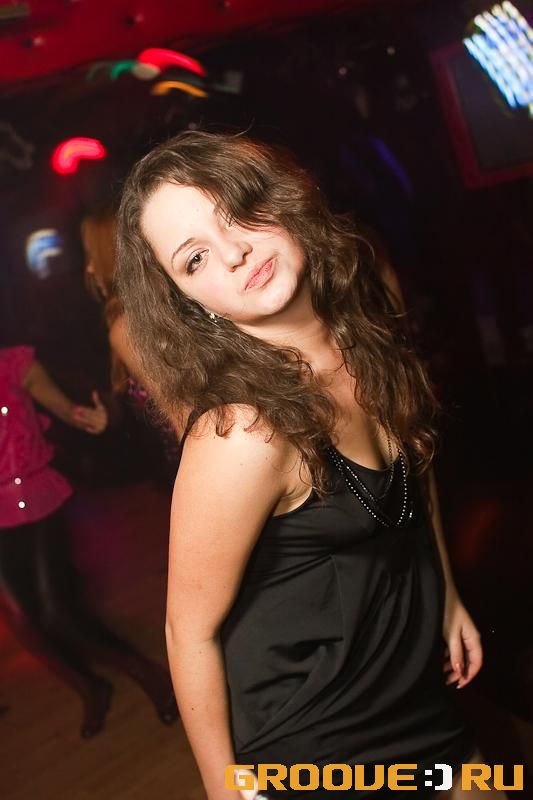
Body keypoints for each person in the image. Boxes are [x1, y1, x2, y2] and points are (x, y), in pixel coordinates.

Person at [115, 131, 503, 799]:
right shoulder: (243, 434)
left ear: (281, 201)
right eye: (195, 258)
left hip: (412, 692)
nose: (233, 253)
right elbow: (188, 629)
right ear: (190, 302)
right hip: (317, 736)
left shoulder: (365, 338)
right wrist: (224, 787)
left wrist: (445, 597)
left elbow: (416, 474)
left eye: (237, 213)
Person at [0, 345, 177, 737]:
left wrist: (90, 419)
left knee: (57, 612)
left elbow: (67, 410)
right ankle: (90, 688)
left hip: (36, 496)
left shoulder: (15, 365)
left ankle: (148, 674)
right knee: (28, 626)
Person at [82, 206, 182, 477]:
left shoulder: (125, 326)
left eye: (93, 254)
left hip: (196, 463)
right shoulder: (156, 309)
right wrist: (112, 411)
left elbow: (181, 416)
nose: (89, 267)